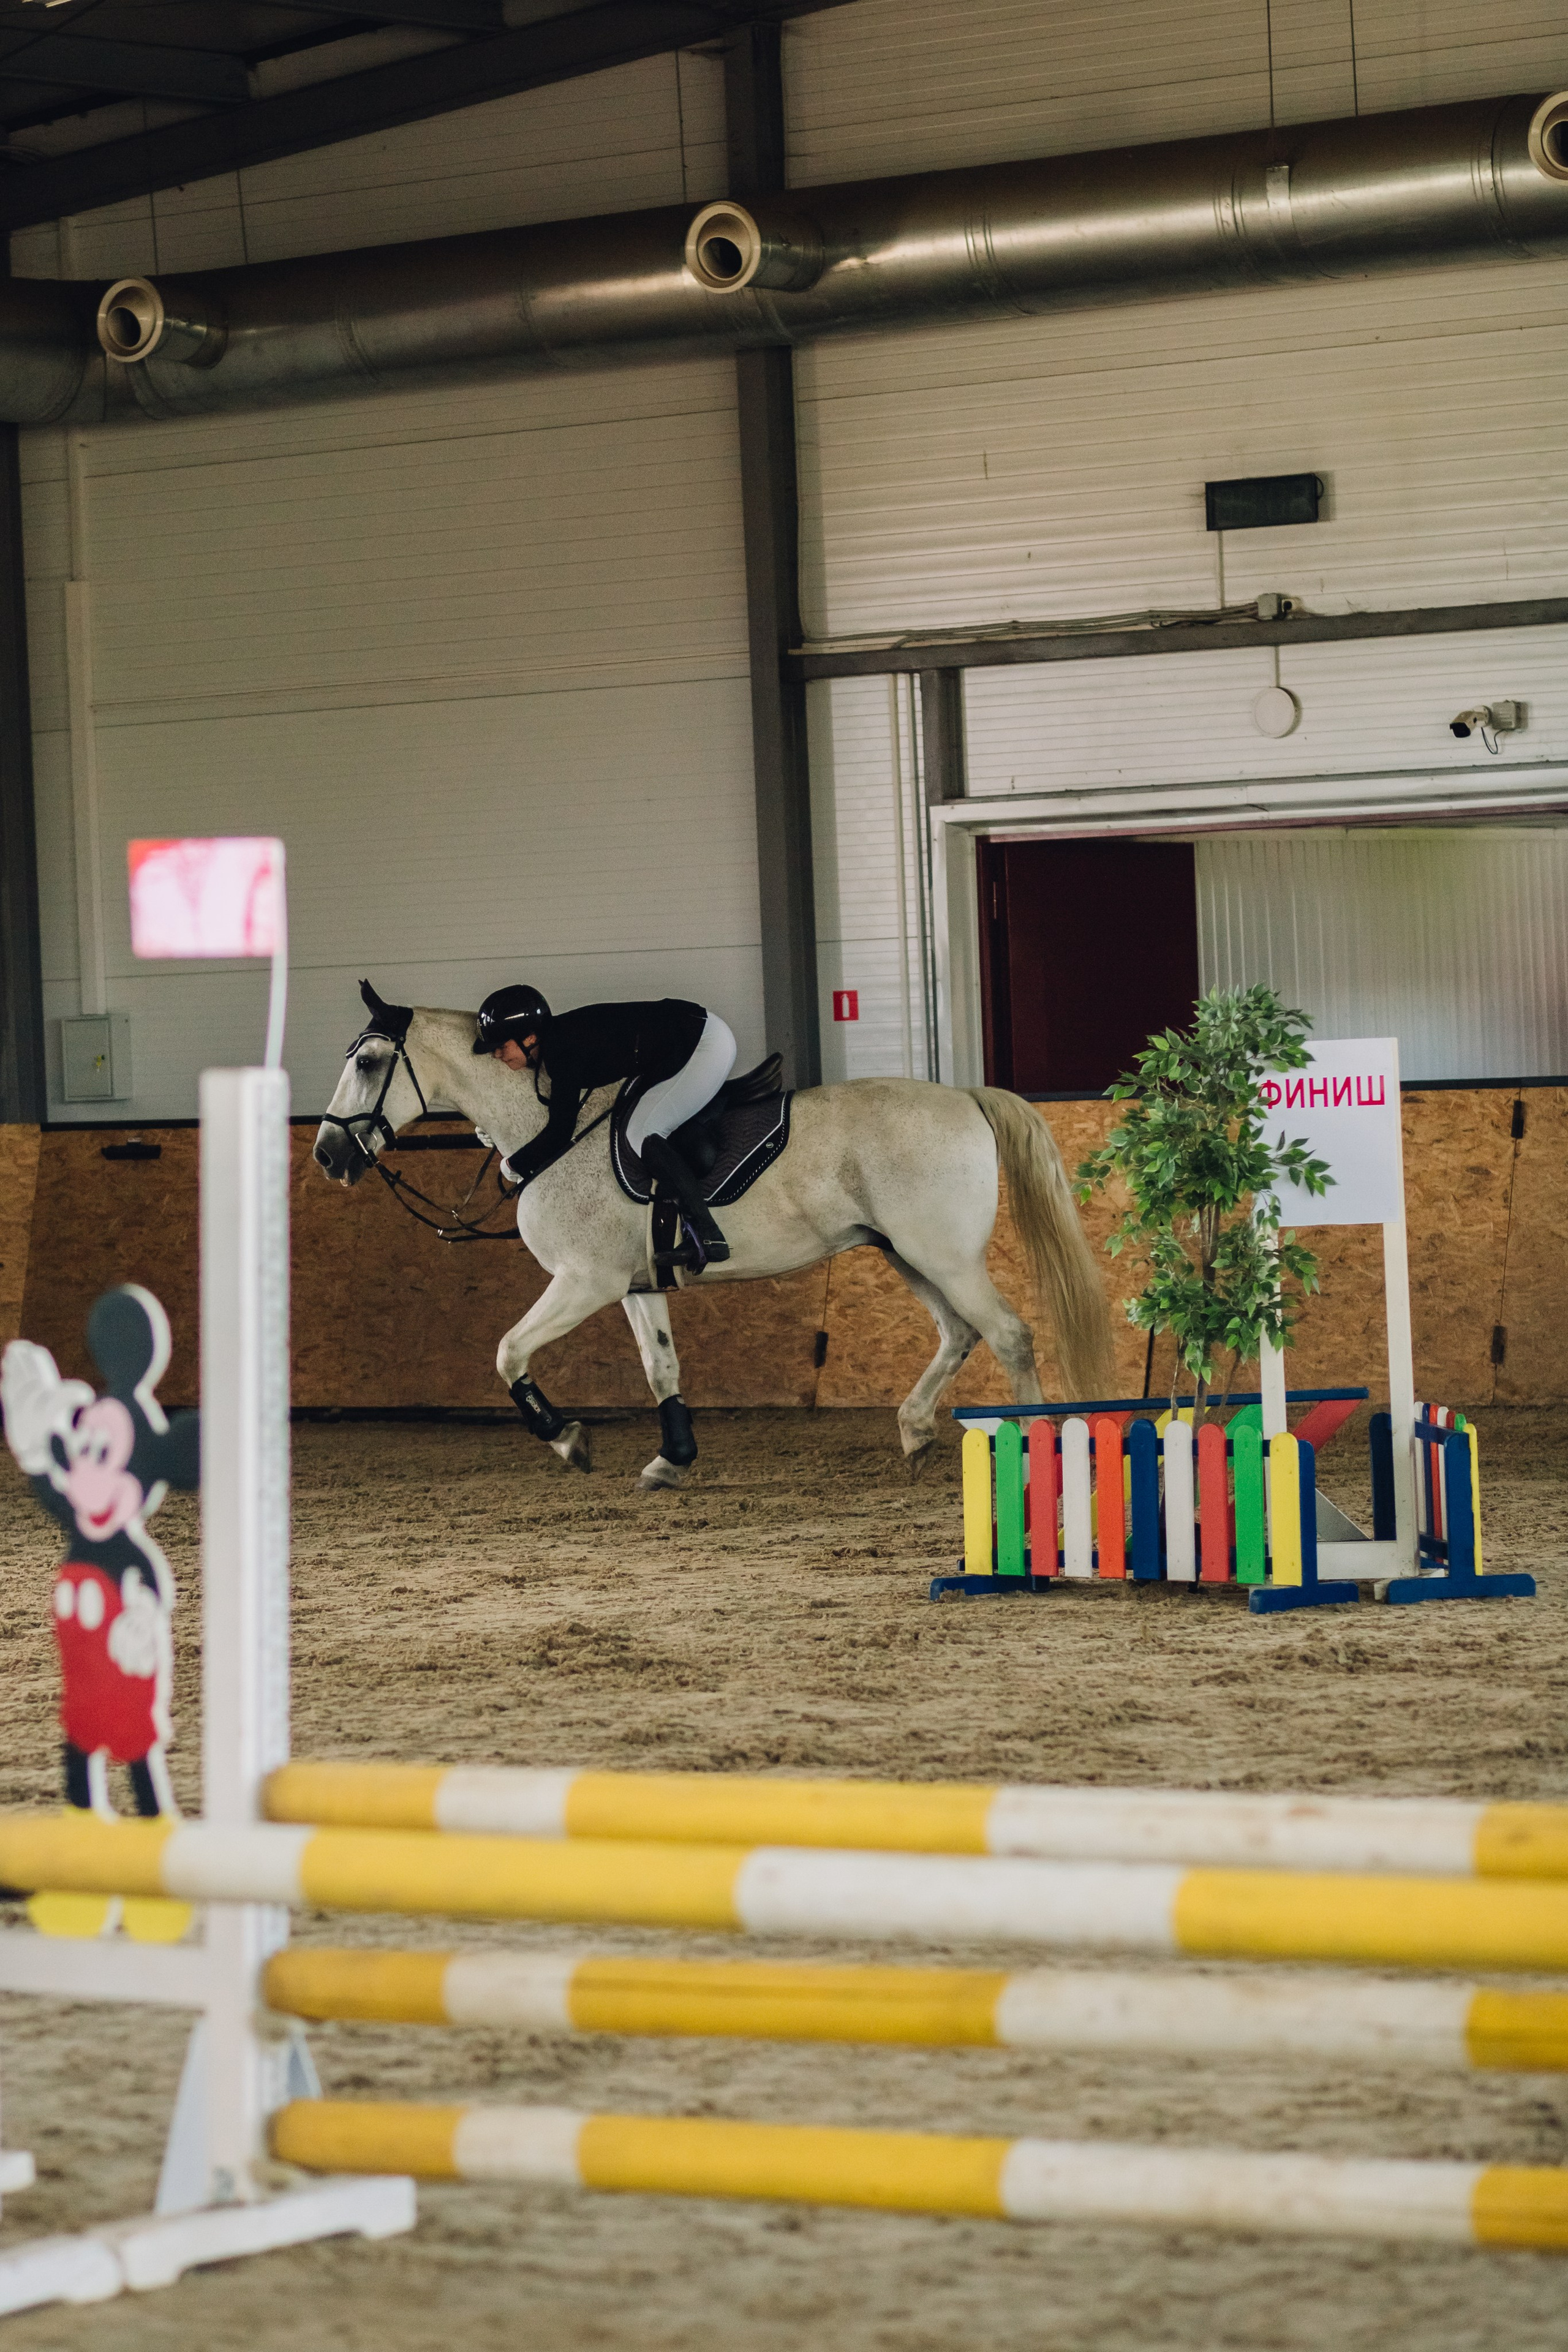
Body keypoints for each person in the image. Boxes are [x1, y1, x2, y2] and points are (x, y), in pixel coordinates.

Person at [473, 985, 736, 1267]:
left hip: (704, 1045)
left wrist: (514, 1165)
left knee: (643, 1133)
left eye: (501, 1047)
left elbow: (561, 1130)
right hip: (689, 1040)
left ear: (530, 1037)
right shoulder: (557, 1043)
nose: (497, 1056)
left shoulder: (561, 1052)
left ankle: (709, 1237)